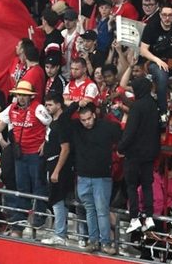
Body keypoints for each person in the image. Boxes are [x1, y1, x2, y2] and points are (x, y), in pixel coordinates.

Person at [0, 81, 52, 235]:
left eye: (25, 95)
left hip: (35, 154)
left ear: (30, 97)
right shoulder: (12, 108)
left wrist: (46, 143)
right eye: (19, 95)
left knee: (38, 185)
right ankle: (20, 219)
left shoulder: (38, 109)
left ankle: (39, 216)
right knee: (21, 186)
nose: (21, 98)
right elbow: (1, 123)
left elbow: (51, 124)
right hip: (20, 154)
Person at [72, 104, 121, 255]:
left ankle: (105, 243)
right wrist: (74, 104)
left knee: (101, 211)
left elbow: (122, 134)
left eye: (88, 119)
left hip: (101, 177)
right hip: (83, 177)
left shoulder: (107, 126)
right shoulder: (77, 127)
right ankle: (94, 242)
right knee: (90, 211)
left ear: (94, 115)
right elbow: (61, 121)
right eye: (83, 120)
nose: (86, 122)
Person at [120, 77, 160, 234]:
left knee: (131, 185)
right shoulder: (154, 105)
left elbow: (130, 132)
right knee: (147, 185)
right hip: (150, 154)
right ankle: (149, 217)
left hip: (134, 154)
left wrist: (121, 147)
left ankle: (134, 218)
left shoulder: (137, 107)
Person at [39, 94, 72, 246]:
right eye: (46, 105)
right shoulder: (54, 123)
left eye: (50, 105)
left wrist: (57, 170)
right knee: (58, 201)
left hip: (57, 165)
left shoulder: (62, 124)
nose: (47, 108)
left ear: (59, 105)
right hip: (50, 163)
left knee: (57, 200)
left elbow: (65, 149)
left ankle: (60, 234)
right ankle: (61, 232)